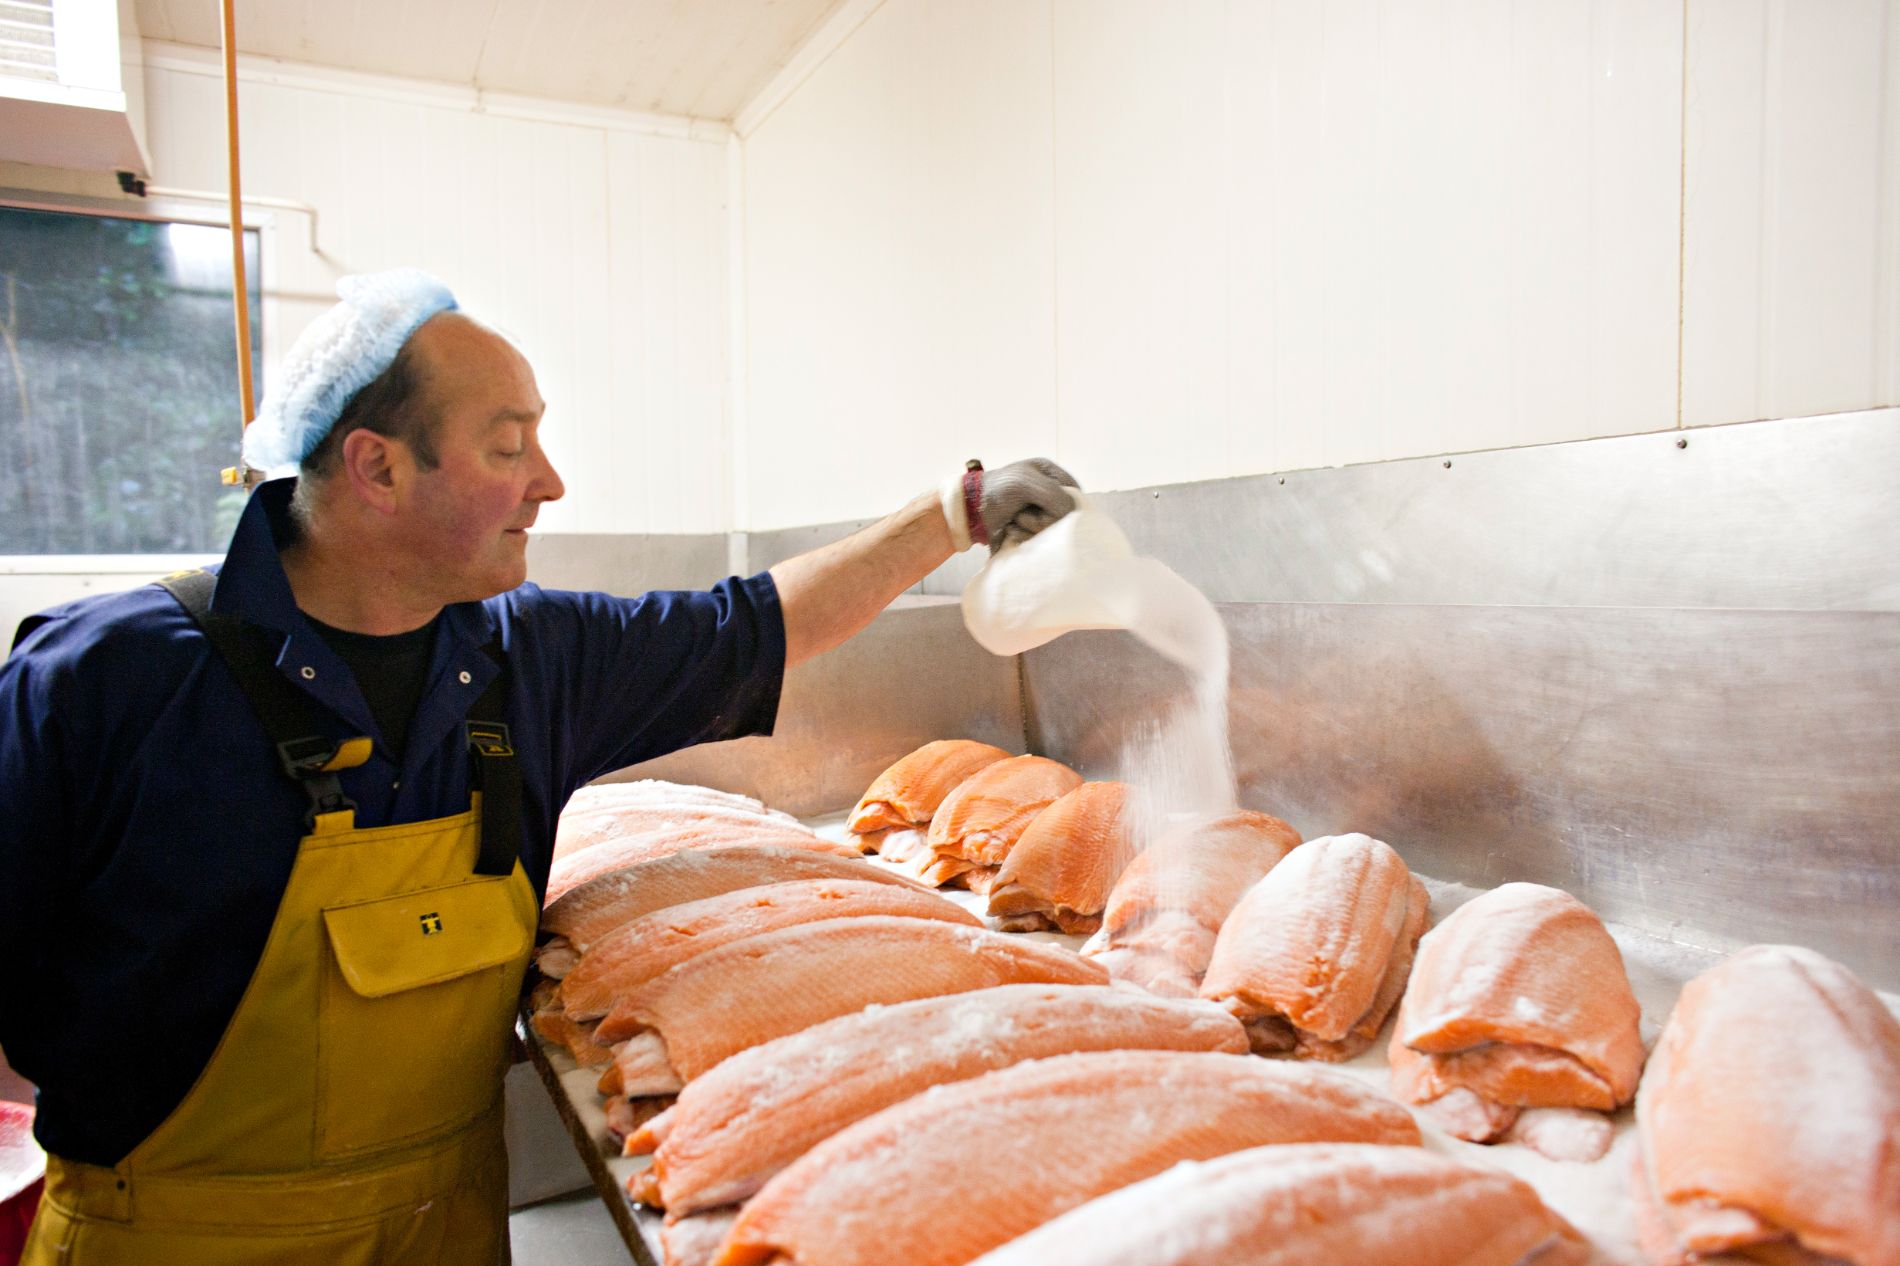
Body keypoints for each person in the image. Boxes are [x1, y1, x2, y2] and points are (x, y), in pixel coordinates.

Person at [0, 268, 1076, 1264]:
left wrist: (955, 514)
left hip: (447, 1230)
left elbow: (761, 622)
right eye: (508, 447)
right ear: (376, 464)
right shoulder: (103, 678)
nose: (549, 483)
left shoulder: (528, 657)